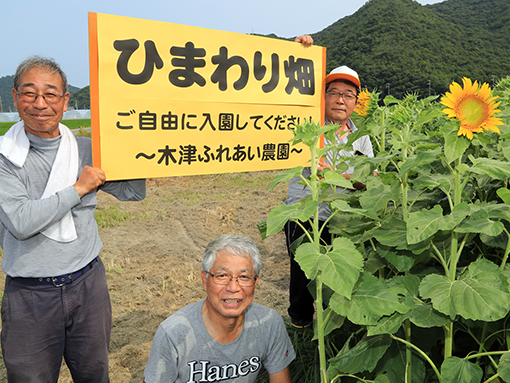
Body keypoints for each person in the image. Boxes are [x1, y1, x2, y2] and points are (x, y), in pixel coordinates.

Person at [0, 56, 146, 382]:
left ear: (65, 100)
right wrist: (79, 188)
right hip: (30, 296)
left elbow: (133, 192)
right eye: (30, 93)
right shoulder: (5, 158)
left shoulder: (84, 149)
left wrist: (137, 146)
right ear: (15, 97)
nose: (40, 104)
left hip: (88, 286)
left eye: (51, 94)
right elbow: (21, 222)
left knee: (94, 374)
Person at [284, 62, 374, 329]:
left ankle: (330, 324)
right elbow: (285, 97)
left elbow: (369, 178)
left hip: (340, 217)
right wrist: (299, 53)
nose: (340, 100)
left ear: (356, 102)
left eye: (348, 95)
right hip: (304, 212)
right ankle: (300, 323)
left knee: (336, 273)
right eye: (333, 92)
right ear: (322, 98)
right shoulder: (309, 127)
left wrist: (337, 176)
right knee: (301, 273)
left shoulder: (361, 137)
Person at [144, 234, 295, 383]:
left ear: (255, 282)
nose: (233, 287)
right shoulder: (173, 334)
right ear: (205, 280)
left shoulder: (268, 323)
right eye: (222, 275)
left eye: (244, 277)